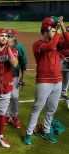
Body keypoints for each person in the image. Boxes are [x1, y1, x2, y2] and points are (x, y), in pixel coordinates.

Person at [23, 16, 69, 145]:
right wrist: (58, 32)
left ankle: (46, 130)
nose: (56, 33)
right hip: (44, 82)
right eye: (53, 31)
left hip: (57, 81)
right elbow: (50, 46)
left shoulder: (57, 43)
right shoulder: (38, 45)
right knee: (37, 109)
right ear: (45, 31)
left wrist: (63, 27)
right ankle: (28, 133)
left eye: (56, 31)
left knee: (52, 109)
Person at [5, 29, 27, 129]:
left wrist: (23, 77)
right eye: (7, 36)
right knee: (4, 97)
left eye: (10, 36)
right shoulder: (1, 46)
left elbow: (23, 63)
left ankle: (14, 116)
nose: (8, 38)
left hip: (14, 77)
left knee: (14, 97)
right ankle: (5, 116)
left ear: (14, 37)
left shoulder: (19, 48)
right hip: (3, 77)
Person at [59, 26, 69, 108]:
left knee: (67, 78)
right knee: (57, 76)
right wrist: (62, 56)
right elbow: (57, 50)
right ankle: (54, 91)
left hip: (68, 61)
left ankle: (63, 93)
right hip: (60, 60)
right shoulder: (61, 39)